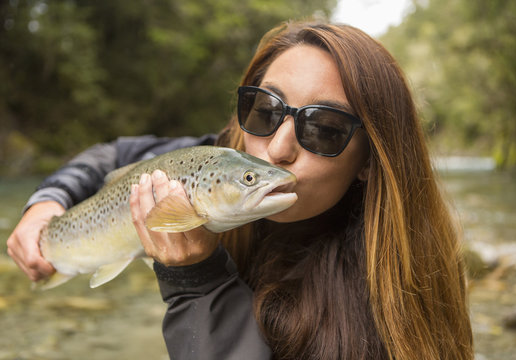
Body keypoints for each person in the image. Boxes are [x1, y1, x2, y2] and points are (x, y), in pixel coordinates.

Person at [7, 21, 473, 359]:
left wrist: (196, 281)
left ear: (370, 162)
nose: (277, 148)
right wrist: (46, 203)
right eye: (265, 109)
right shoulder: (219, 161)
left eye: (324, 128)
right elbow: (113, 156)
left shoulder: (388, 305)